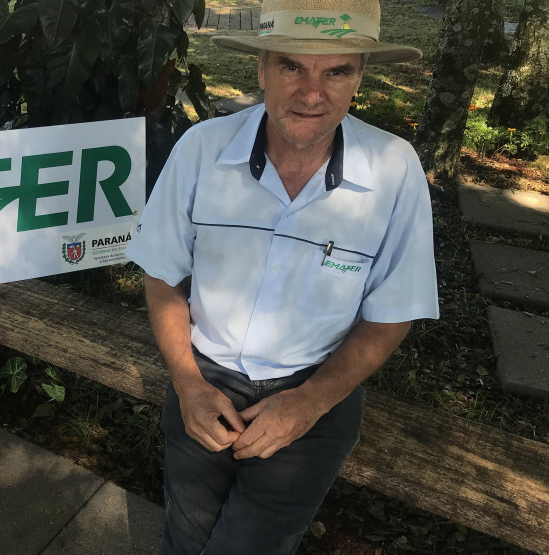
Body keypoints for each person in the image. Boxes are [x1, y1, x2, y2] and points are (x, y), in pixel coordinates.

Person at [124, 0, 440, 553]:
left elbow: (393, 313)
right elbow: (162, 277)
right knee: (184, 536)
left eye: (337, 70)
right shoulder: (201, 148)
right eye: (292, 66)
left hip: (316, 389)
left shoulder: (395, 167)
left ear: (360, 76)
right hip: (204, 379)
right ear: (262, 68)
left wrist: (311, 401)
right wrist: (187, 382)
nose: (312, 93)